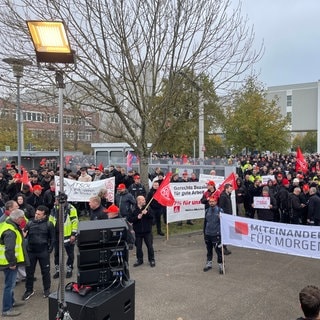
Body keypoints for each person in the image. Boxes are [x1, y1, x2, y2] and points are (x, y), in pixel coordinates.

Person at [22, 205, 55, 300]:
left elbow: (53, 238)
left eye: (39, 214)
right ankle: (29, 290)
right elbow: (24, 235)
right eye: (36, 213)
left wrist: (51, 248)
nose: (36, 215)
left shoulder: (49, 224)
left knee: (45, 272)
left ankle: (47, 290)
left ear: (44, 215)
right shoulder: (29, 223)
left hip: (43, 251)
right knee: (29, 272)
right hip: (31, 251)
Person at [0, 209, 29, 317]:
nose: (23, 220)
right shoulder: (10, 231)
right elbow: (9, 249)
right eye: (22, 218)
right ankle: (6, 309)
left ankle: (12, 302)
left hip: (8, 261)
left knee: (10, 284)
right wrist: (12, 263)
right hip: (9, 263)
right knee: (9, 285)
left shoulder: (8, 222)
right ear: (17, 219)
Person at [49, 195, 78, 279]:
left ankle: (69, 269)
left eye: (57, 200)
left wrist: (73, 234)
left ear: (63, 201)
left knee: (70, 253)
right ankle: (58, 270)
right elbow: (51, 220)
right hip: (56, 235)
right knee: (57, 254)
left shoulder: (71, 209)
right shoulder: (55, 208)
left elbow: (75, 222)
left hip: (68, 236)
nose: (55, 202)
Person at [128, 195, 155, 267]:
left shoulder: (148, 208)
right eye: (143, 200)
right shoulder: (133, 208)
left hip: (147, 231)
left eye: (144, 200)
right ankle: (139, 260)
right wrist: (137, 217)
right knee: (138, 247)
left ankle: (151, 259)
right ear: (139, 201)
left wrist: (147, 213)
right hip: (138, 232)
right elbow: (130, 219)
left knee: (150, 246)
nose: (144, 201)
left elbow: (153, 218)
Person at [203, 196, 224, 274]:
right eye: (210, 201)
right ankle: (209, 263)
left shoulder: (220, 210)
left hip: (216, 234)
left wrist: (221, 218)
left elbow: (224, 223)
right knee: (209, 250)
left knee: (218, 251)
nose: (211, 203)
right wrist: (204, 233)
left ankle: (221, 265)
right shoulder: (207, 210)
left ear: (216, 202)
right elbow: (205, 222)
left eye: (213, 201)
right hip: (208, 234)